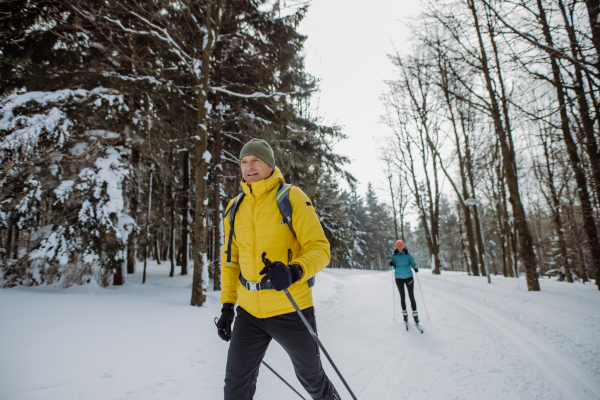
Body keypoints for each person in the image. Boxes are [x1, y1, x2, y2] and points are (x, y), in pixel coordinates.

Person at [215, 138, 340, 400]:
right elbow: (230, 263)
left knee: (312, 379)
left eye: (255, 160)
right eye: (244, 161)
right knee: (235, 385)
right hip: (249, 313)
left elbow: (320, 248)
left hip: (290, 308)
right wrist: (227, 307)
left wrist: (295, 270)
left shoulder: (291, 197)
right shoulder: (233, 208)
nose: (249, 166)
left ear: (270, 165)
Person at [389, 240, 419, 323]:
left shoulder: (408, 255)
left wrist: (415, 268)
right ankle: (405, 315)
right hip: (399, 278)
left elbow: (413, 264)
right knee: (402, 296)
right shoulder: (394, 256)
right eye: (398, 246)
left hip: (409, 277)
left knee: (411, 296)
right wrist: (391, 265)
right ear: (396, 247)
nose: (400, 247)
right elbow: (391, 268)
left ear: (403, 246)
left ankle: (415, 315)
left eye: (401, 246)